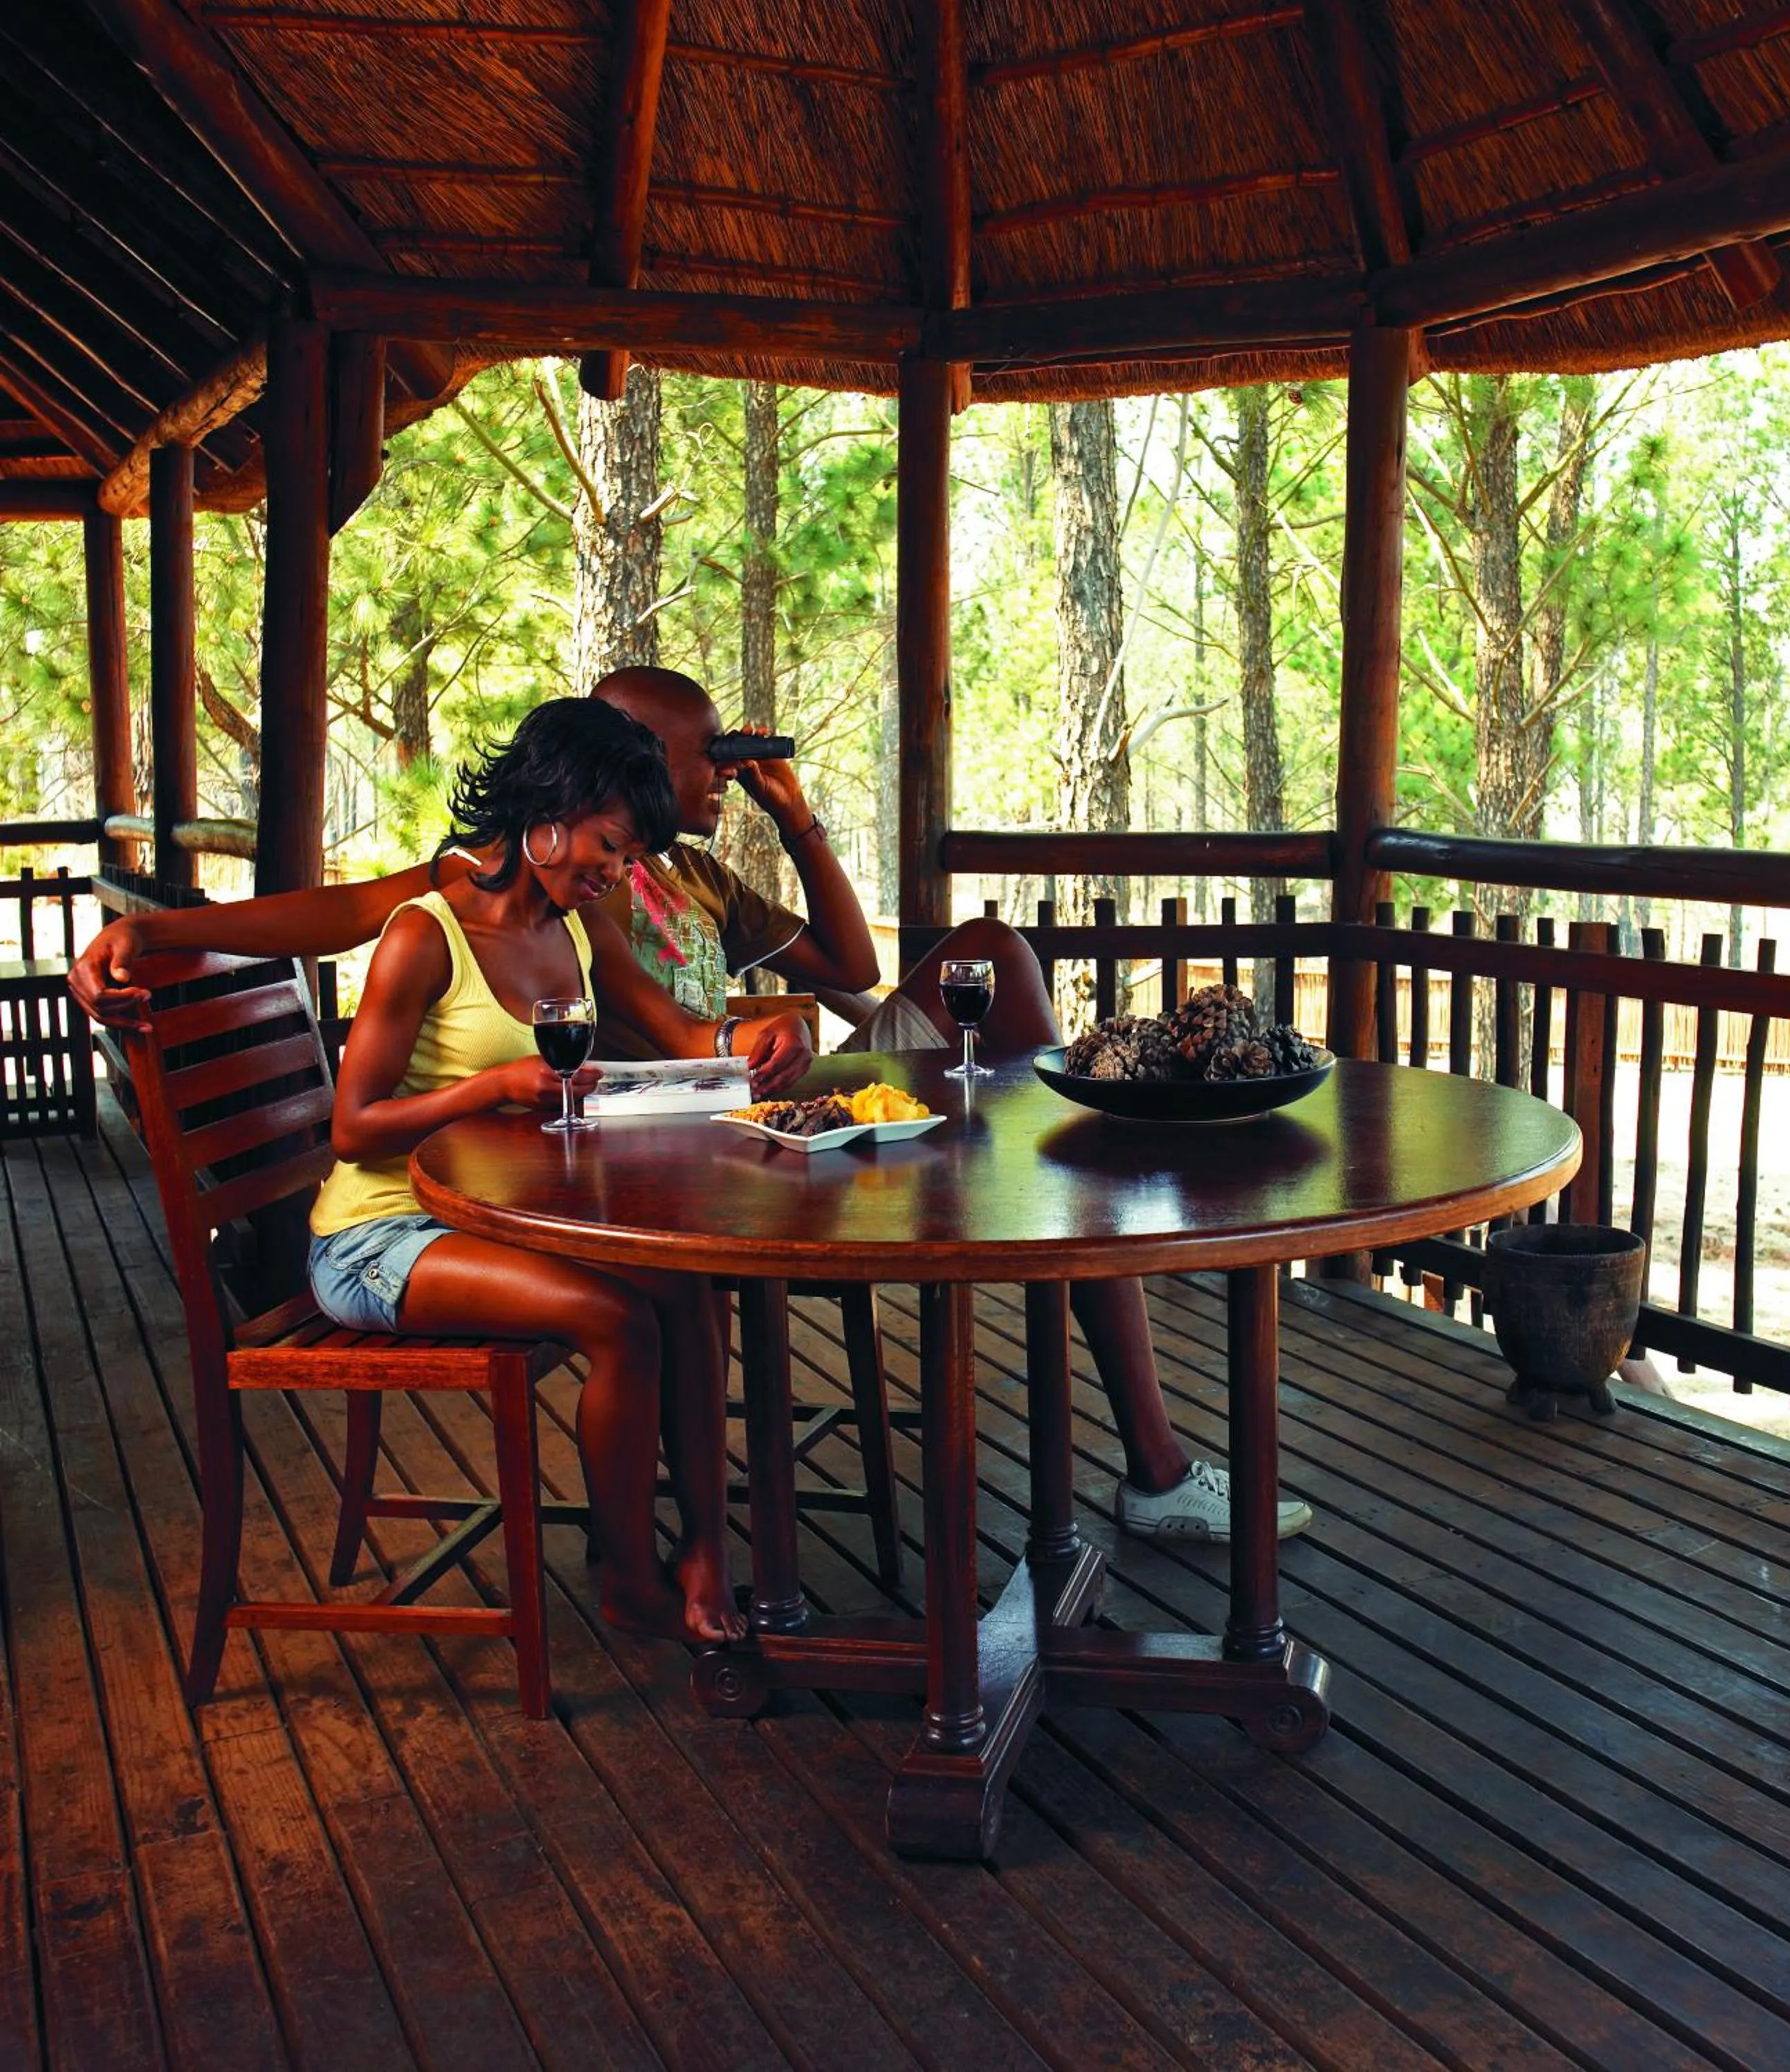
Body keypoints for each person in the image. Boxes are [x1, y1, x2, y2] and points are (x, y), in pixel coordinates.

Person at [71, 667, 1312, 1543]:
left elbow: (811, 981)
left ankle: (1068, 1217)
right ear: (594, 786)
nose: (720, 771)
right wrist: (156, 934)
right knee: (657, 1301)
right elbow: (347, 916)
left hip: (734, 1101)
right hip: (639, 1152)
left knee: (1001, 975)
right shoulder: (538, 892)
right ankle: (703, 1559)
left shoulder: (657, 883)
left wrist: (777, 913)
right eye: (703, 754)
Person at [309, 698, 759, 1644]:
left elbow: (685, 1034)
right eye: (611, 846)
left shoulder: (577, 930)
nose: (617, 874)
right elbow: (352, 1129)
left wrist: (747, 1045)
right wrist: (493, 1087)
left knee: (686, 1286)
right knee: (615, 1317)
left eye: (630, 856)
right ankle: (629, 1579)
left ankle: (705, 1551)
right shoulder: (425, 935)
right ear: (548, 814)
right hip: (378, 1237)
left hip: (490, 1216)